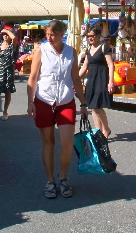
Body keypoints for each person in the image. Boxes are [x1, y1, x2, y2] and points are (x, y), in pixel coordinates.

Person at [27, 20, 87, 199]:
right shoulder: (41, 50)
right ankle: (50, 180)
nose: (49, 37)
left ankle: (63, 177)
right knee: (48, 143)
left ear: (62, 34)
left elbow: (76, 78)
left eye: (52, 34)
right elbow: (32, 78)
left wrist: (83, 103)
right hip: (44, 100)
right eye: (47, 34)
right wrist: (30, 101)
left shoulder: (71, 52)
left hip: (66, 100)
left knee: (67, 144)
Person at [79, 26, 115, 139]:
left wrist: (110, 82)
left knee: (98, 106)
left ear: (98, 36)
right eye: (88, 36)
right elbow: (84, 67)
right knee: (93, 107)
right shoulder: (88, 50)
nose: (90, 38)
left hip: (101, 78)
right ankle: (97, 131)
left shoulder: (104, 47)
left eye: (92, 36)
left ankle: (106, 129)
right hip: (92, 80)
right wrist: (75, 79)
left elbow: (110, 64)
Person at [0, 27, 18, 120]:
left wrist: (6, 30)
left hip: (8, 71)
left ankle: (5, 111)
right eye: (4, 35)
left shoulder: (12, 46)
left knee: (7, 92)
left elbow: (14, 38)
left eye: (7, 35)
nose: (5, 36)